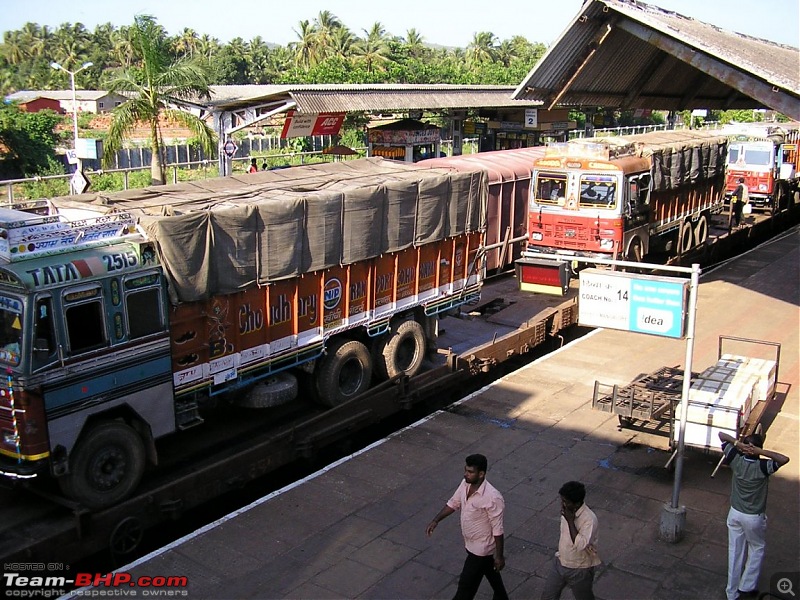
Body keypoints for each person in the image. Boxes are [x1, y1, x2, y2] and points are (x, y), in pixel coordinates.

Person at [426, 453, 508, 600]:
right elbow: (454, 503)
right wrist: (436, 520)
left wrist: (500, 556)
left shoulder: (493, 498)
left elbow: (498, 530)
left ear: (481, 474)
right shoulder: (465, 484)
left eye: (470, 472)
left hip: (481, 549)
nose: (466, 474)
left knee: (465, 588)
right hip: (470, 543)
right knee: (489, 569)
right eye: (466, 470)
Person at [719, 432, 789, 600]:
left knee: (735, 550)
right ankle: (746, 585)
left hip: (734, 512)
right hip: (753, 516)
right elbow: (784, 459)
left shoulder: (735, 460)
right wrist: (759, 452)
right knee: (757, 547)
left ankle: (731, 592)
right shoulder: (764, 467)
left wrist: (738, 444)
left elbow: (722, 436)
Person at [541, 481, 600, 600]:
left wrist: (570, 521)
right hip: (560, 562)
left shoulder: (589, 519)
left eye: (566, 502)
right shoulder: (567, 511)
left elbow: (580, 545)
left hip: (579, 569)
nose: (562, 505)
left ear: (577, 503)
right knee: (548, 596)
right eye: (562, 500)